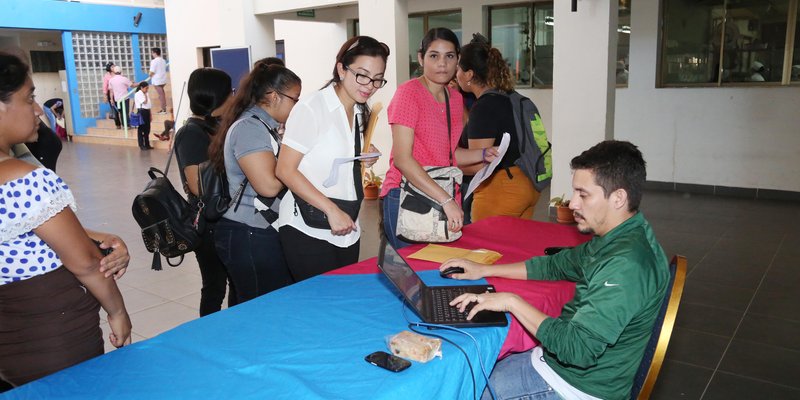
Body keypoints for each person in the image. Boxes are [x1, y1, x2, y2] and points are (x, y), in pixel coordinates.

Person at [442, 140, 670, 400]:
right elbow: (557, 264)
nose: (572, 204)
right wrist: (484, 270)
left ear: (618, 198)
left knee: (458, 390)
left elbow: (577, 349)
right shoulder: (622, 235)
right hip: (560, 368)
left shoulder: (626, 265)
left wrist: (511, 301)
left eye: (583, 195)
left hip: (575, 387)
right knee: (467, 375)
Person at [0, 52, 132, 387]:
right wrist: (117, 312)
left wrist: (90, 233)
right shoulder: (21, 177)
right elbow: (86, 264)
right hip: (52, 331)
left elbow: (17, 230)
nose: (37, 109)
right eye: (29, 97)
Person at [275, 35, 388, 281]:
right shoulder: (311, 108)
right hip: (309, 226)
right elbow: (285, 170)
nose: (369, 85)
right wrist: (330, 210)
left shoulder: (359, 110)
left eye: (377, 79)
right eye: (362, 75)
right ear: (341, 69)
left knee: (340, 302)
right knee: (317, 308)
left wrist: (362, 156)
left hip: (348, 223)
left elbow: (333, 152)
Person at [380, 28, 497, 249]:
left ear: (458, 60)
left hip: (442, 194)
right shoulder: (408, 94)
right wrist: (446, 200)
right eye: (434, 56)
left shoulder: (454, 98)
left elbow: (448, 156)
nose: (442, 63)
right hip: (409, 196)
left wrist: (482, 154)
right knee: (410, 273)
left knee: (436, 270)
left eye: (449, 56)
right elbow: (403, 159)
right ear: (421, 58)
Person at [208, 64, 300, 303]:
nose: (296, 107)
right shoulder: (249, 127)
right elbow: (268, 186)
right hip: (249, 232)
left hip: (261, 229)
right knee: (262, 309)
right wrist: (291, 161)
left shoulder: (264, 124)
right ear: (273, 96)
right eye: (294, 99)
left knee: (260, 305)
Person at [455, 34, 541, 222]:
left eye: (458, 68)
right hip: (527, 184)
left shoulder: (484, 107)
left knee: (486, 249)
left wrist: (448, 167)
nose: (455, 74)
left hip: (500, 188)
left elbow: (480, 165)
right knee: (515, 248)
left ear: (469, 75)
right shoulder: (507, 98)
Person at [174, 67, 237, 316]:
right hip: (210, 225)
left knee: (236, 282)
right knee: (214, 287)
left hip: (226, 218)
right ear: (216, 96)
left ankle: (233, 330)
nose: (233, 97)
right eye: (228, 92)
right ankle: (208, 336)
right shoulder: (190, 133)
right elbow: (197, 185)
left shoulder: (216, 127)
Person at [133, 81, 153, 150]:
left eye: (148, 88)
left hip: (147, 111)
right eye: (146, 88)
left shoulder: (146, 93)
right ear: (141, 87)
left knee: (147, 129)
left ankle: (147, 144)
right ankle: (141, 144)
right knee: (141, 129)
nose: (147, 90)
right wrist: (145, 95)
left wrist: (150, 114)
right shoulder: (138, 94)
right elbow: (144, 102)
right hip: (142, 112)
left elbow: (149, 105)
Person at [149, 47, 168, 114]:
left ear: (155, 53)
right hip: (163, 80)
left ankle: (163, 110)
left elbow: (152, 71)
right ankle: (163, 108)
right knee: (162, 94)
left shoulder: (154, 61)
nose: (152, 54)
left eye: (152, 53)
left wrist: (150, 75)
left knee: (161, 95)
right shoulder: (163, 60)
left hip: (157, 81)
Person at [102, 61, 121, 129]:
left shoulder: (118, 73)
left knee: (121, 109)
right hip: (111, 94)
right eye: (112, 66)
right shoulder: (107, 76)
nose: (114, 67)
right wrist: (105, 96)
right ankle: (118, 124)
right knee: (114, 110)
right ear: (109, 68)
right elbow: (105, 86)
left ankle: (125, 123)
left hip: (119, 93)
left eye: (114, 66)